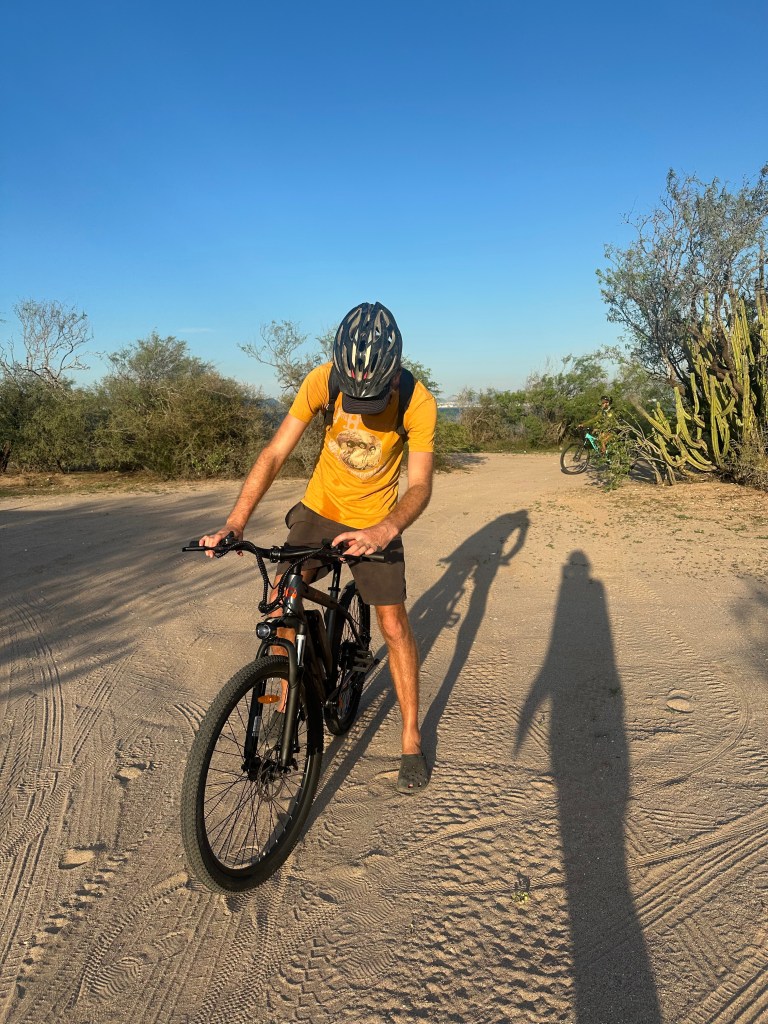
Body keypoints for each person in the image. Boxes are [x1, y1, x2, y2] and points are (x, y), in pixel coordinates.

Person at [200, 301, 437, 793]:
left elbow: (419, 487)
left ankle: (411, 736)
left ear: (394, 373)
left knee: (393, 623)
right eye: (355, 394)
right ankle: (287, 688)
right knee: (283, 599)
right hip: (320, 507)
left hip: (377, 519)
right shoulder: (322, 381)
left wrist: (383, 531)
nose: (360, 402)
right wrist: (235, 522)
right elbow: (275, 452)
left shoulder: (418, 402)